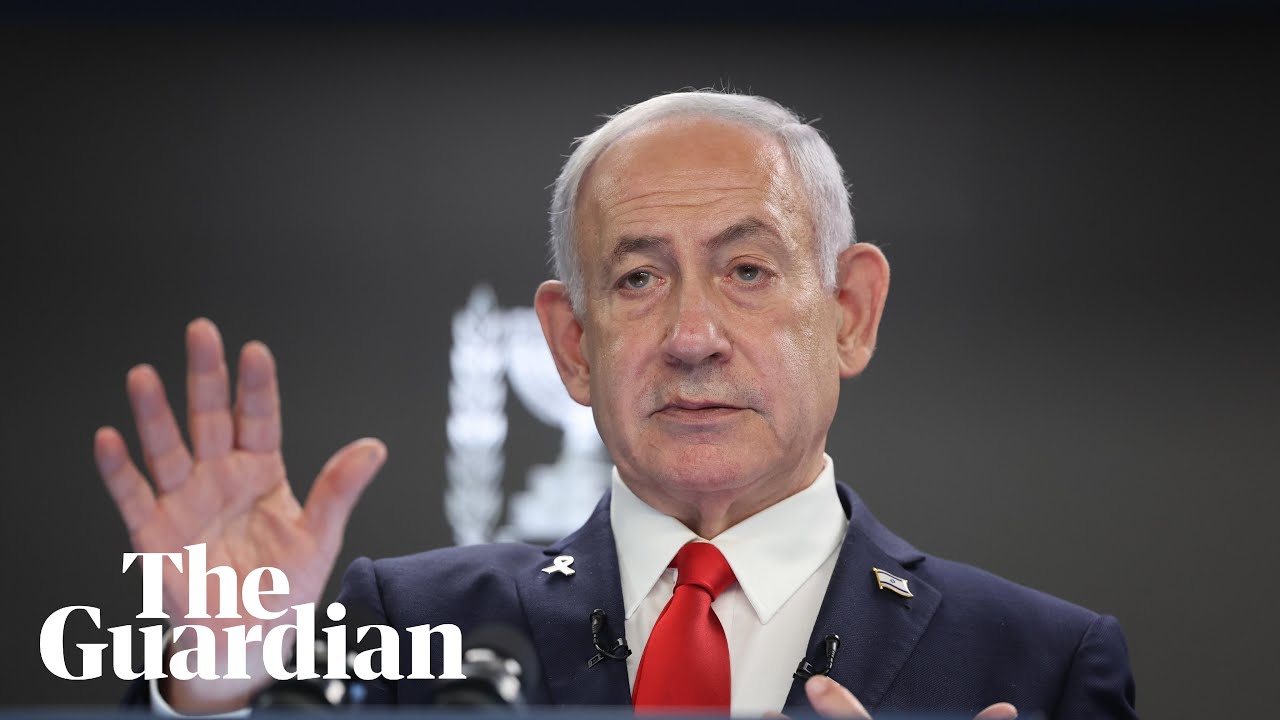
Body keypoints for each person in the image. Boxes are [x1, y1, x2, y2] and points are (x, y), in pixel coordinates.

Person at [97, 91, 1137, 718]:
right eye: (638, 279)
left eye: (746, 269)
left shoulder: (1038, 665)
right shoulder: (409, 627)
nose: (692, 335)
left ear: (850, 313)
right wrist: (214, 691)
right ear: (572, 345)